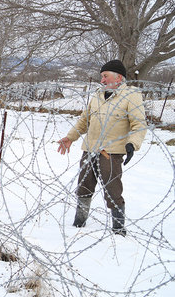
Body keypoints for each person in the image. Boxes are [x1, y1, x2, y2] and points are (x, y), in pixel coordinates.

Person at [57, 60, 147, 236]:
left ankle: (118, 228)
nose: (102, 80)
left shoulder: (131, 95)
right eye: (101, 77)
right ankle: (79, 222)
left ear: (118, 77)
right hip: (90, 149)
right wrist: (71, 137)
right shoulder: (98, 95)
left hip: (111, 153)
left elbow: (139, 125)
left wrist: (132, 144)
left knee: (112, 191)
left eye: (105, 76)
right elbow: (84, 120)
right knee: (83, 187)